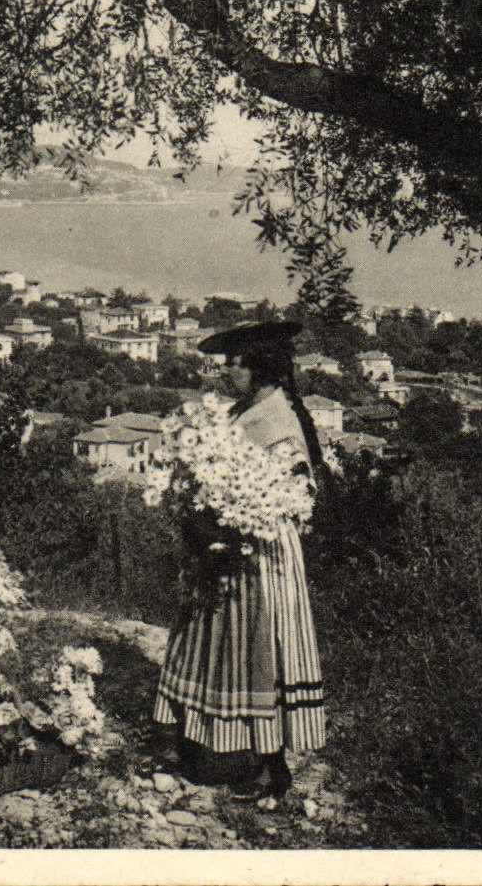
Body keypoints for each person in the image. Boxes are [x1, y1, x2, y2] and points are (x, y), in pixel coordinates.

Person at [151, 320, 327, 806]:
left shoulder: (278, 419)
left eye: (235, 363)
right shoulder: (242, 410)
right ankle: (195, 744)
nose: (226, 371)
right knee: (209, 635)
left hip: (261, 551)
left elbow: (293, 494)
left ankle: (273, 767)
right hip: (225, 542)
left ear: (260, 367)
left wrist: (235, 516)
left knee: (259, 648)